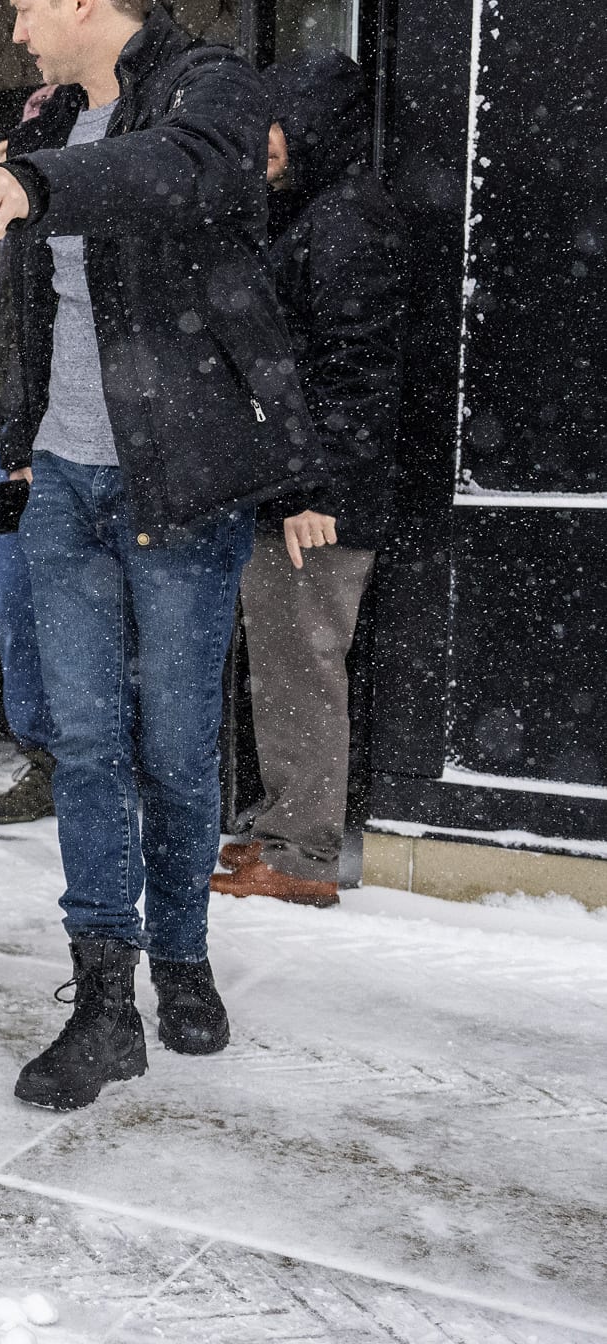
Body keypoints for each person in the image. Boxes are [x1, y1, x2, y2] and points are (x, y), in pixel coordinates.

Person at [0, 0, 318, 1110]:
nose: (15, 33)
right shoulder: (44, 120)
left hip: (177, 486)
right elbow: (19, 313)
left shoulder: (207, 90)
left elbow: (176, 174)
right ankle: (103, 998)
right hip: (62, 483)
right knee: (86, 745)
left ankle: (182, 957)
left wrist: (37, 185)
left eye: (22, 8)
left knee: (174, 748)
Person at [212, 51, 404, 906]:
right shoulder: (319, 213)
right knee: (283, 665)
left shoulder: (346, 218)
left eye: (277, 126)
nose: (265, 143)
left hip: (318, 500)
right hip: (298, 488)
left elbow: (356, 369)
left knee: (300, 667)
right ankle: (280, 826)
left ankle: (302, 852)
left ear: (316, 126)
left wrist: (312, 492)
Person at [0, 123, 64, 827]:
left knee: (89, 609)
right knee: (17, 605)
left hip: (87, 441)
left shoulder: (82, 217)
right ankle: (44, 760)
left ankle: (99, 760)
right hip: (16, 440)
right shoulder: (10, 237)